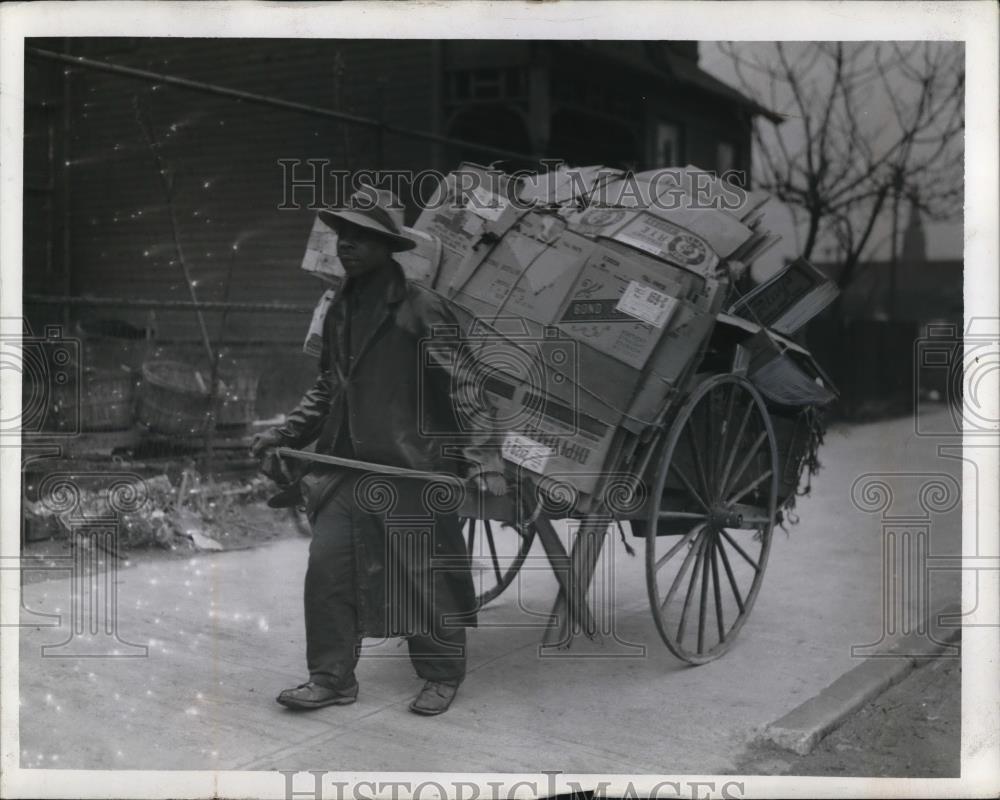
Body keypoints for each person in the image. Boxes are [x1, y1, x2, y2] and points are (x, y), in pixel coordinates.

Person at [251, 186, 504, 716]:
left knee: (422, 575)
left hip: (413, 468)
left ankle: (441, 674)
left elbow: (465, 388)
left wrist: (483, 459)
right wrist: (287, 434)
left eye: (361, 237)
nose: (347, 245)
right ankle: (331, 677)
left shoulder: (421, 308)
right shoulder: (341, 306)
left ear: (387, 247)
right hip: (347, 463)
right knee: (327, 570)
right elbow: (328, 386)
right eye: (343, 235)